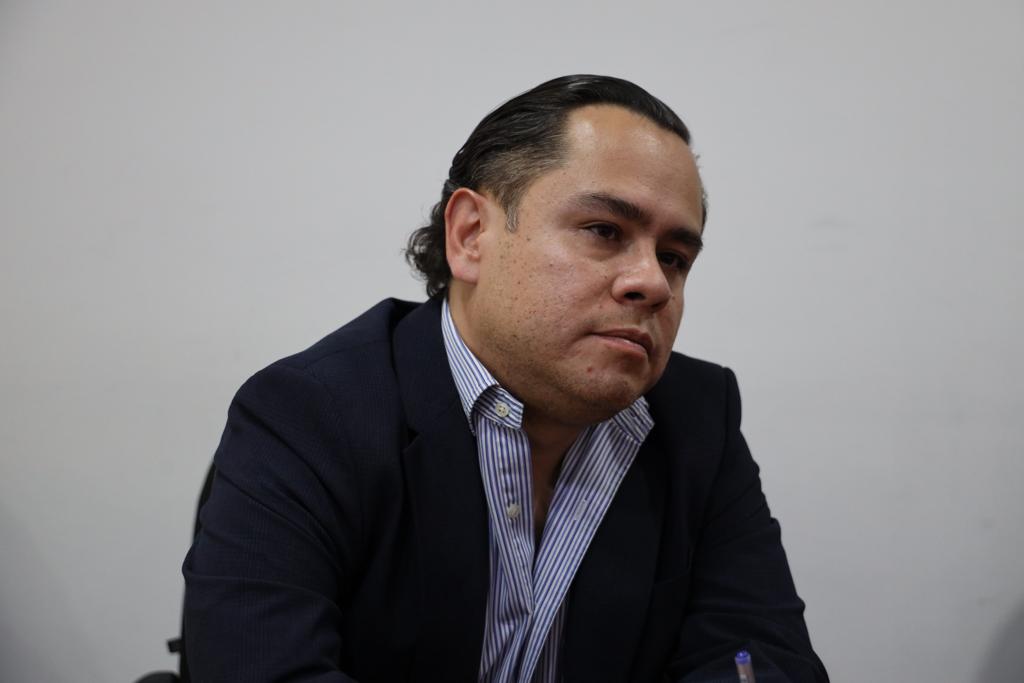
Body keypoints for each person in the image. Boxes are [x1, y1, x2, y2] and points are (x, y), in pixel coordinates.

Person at [182, 74, 828, 682]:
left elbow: (757, 656)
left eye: (675, 257)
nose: (653, 282)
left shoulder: (698, 418)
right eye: (604, 231)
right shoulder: (310, 413)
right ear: (470, 235)